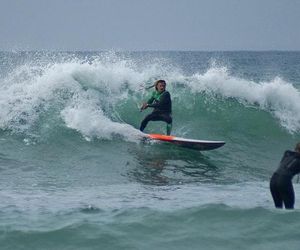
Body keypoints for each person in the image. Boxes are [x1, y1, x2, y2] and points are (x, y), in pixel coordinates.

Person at [270, 142, 300, 209]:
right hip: (284, 180)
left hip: (274, 179)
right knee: (289, 208)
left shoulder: (287, 153)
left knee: (278, 208)